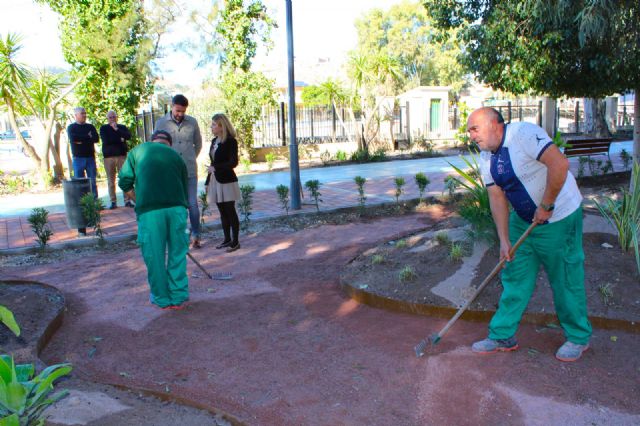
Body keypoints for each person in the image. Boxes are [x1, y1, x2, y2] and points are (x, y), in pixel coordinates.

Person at [467, 107, 591, 362]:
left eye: (474, 129)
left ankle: (578, 337)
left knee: (566, 277)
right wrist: (503, 240)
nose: (471, 136)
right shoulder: (486, 157)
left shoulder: (523, 134)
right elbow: (496, 197)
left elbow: (559, 164)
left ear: (494, 124)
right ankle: (502, 334)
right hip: (523, 221)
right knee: (514, 275)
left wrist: (546, 205)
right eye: (469, 131)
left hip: (560, 215)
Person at [118, 130, 190, 310]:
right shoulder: (176, 156)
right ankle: (178, 297)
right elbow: (184, 186)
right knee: (177, 254)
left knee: (154, 256)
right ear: (169, 144)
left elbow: (124, 182)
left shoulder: (138, 151)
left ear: (151, 141)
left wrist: (137, 198)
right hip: (177, 209)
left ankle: (161, 299)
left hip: (150, 212)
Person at [154, 94, 203, 248]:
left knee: (192, 204)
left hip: (189, 170)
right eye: (177, 110)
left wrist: (189, 158)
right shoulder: (161, 123)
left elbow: (198, 144)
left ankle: (196, 234)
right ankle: (178, 235)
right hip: (170, 172)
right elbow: (155, 146)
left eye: (183, 111)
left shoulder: (192, 122)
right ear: (172, 106)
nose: (180, 114)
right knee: (175, 204)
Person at [205, 113, 241, 253]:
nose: (211, 127)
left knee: (230, 211)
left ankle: (236, 242)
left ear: (221, 126)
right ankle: (227, 239)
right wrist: (208, 181)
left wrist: (216, 168)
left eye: (214, 124)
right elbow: (212, 163)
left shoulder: (231, 141)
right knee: (222, 212)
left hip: (227, 181)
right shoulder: (214, 141)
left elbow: (233, 162)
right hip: (215, 180)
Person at [67, 107, 100, 236]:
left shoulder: (90, 127)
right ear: (76, 115)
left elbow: (96, 139)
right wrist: (87, 138)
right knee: (79, 184)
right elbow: (73, 139)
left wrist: (83, 139)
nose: (84, 115)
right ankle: (81, 205)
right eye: (82, 113)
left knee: (92, 182)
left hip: (90, 158)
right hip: (78, 159)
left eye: (85, 113)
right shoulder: (71, 127)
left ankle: (94, 205)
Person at [100, 110, 133, 209]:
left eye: (114, 117)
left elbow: (128, 136)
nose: (112, 119)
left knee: (124, 178)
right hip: (109, 158)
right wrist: (120, 139)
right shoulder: (104, 128)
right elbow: (106, 140)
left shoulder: (121, 127)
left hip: (122, 156)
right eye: (110, 117)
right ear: (107, 119)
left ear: (116, 117)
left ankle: (127, 200)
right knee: (111, 180)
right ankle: (113, 201)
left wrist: (117, 130)